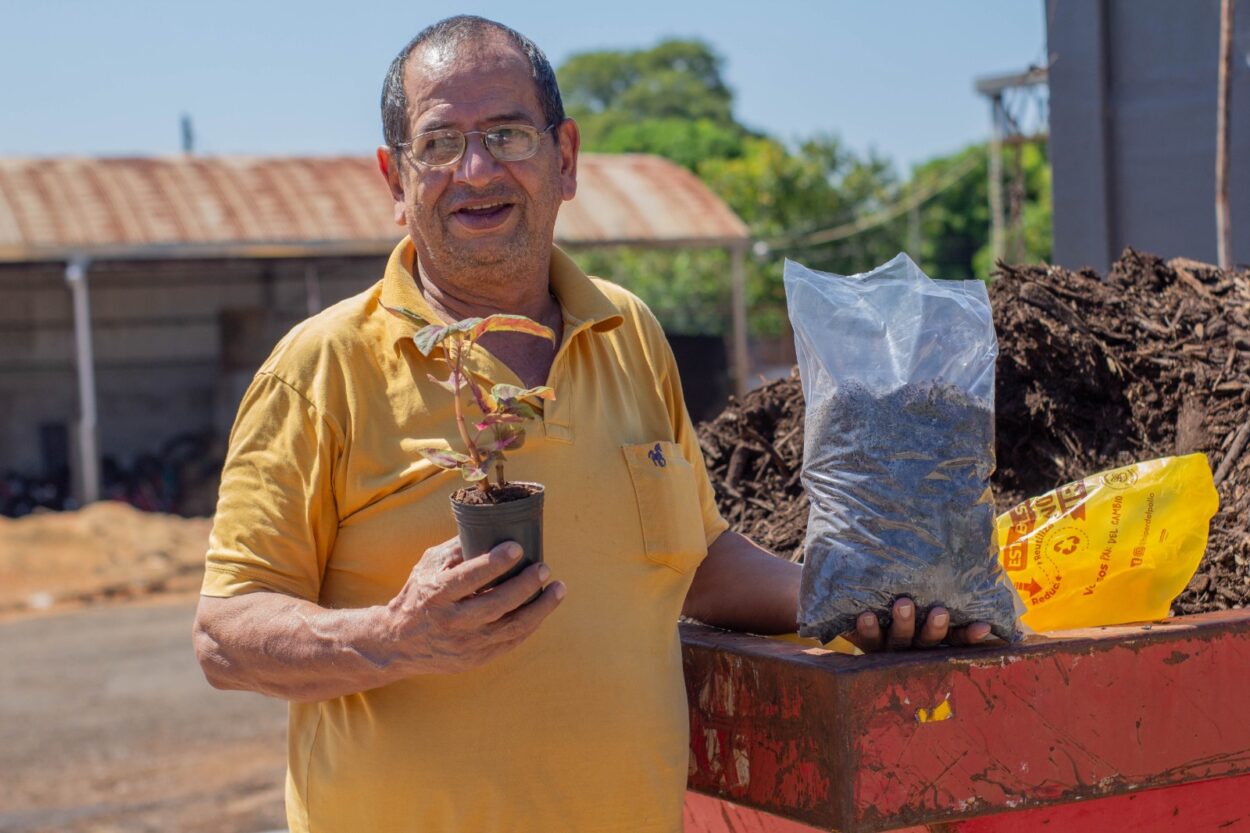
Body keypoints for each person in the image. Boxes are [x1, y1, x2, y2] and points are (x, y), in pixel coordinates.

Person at [192, 15, 989, 833]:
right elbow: (227, 632)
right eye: (439, 144)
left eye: (507, 134)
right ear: (395, 180)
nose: (475, 170)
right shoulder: (319, 368)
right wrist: (397, 636)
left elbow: (693, 558)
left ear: (564, 158)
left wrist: (851, 592)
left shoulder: (629, 331)